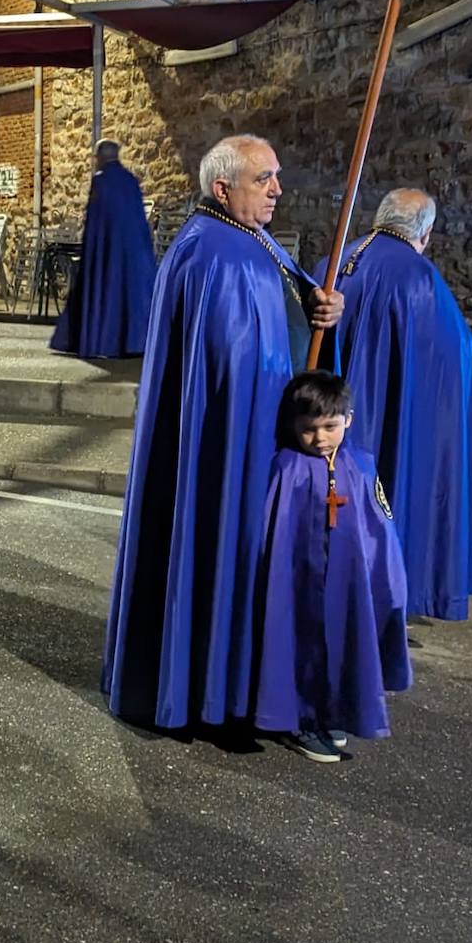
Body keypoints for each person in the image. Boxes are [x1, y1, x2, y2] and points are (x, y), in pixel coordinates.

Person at [102, 134, 344, 730]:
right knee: (233, 556)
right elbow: (243, 372)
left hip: (252, 440)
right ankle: (224, 690)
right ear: (223, 188)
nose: (277, 190)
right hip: (239, 450)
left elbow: (292, 310)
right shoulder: (216, 253)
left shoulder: (245, 237)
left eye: (275, 176)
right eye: (264, 179)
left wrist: (323, 309)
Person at [317, 189, 472, 620]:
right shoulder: (418, 277)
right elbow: (455, 352)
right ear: (425, 232)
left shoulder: (337, 262)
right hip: (391, 418)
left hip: (334, 419)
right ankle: (388, 594)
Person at [254, 372, 412, 762]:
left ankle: (331, 710)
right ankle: (298, 719)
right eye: (309, 429)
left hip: (347, 578)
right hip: (299, 581)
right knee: (299, 641)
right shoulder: (285, 468)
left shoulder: (360, 466)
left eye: (330, 426)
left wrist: (387, 579)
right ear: (293, 425)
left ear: (349, 420)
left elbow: (380, 527)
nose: (320, 438)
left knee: (346, 638)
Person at [49, 139, 157, 358]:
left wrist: (91, 251)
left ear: (99, 158)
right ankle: (134, 342)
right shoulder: (130, 181)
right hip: (136, 255)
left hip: (109, 253)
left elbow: (97, 222)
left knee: (104, 293)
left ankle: (102, 342)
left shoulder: (101, 181)